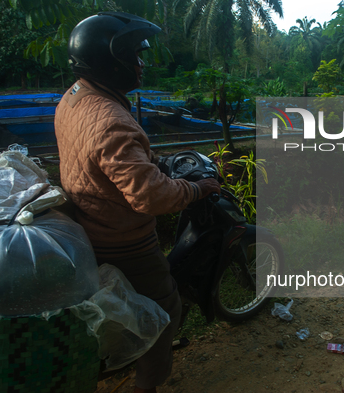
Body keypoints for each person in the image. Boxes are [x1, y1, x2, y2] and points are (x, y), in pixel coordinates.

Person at [54, 12, 220, 393]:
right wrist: (198, 189)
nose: (140, 64)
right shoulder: (112, 119)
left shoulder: (77, 95)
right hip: (122, 239)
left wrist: (155, 164)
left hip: (86, 218)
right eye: (133, 57)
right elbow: (151, 195)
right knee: (165, 310)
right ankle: (147, 385)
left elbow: (109, 162)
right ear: (110, 63)